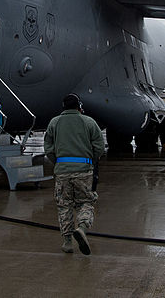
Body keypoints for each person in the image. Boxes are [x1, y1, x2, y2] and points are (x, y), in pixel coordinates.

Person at [44, 93, 105, 255]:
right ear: (79, 106)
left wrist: (58, 161)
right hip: (84, 171)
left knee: (64, 205)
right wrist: (92, 160)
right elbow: (99, 146)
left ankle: (67, 242)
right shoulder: (89, 122)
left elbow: (48, 148)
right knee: (85, 202)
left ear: (63, 107)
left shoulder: (54, 123)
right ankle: (82, 228)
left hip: (62, 171)